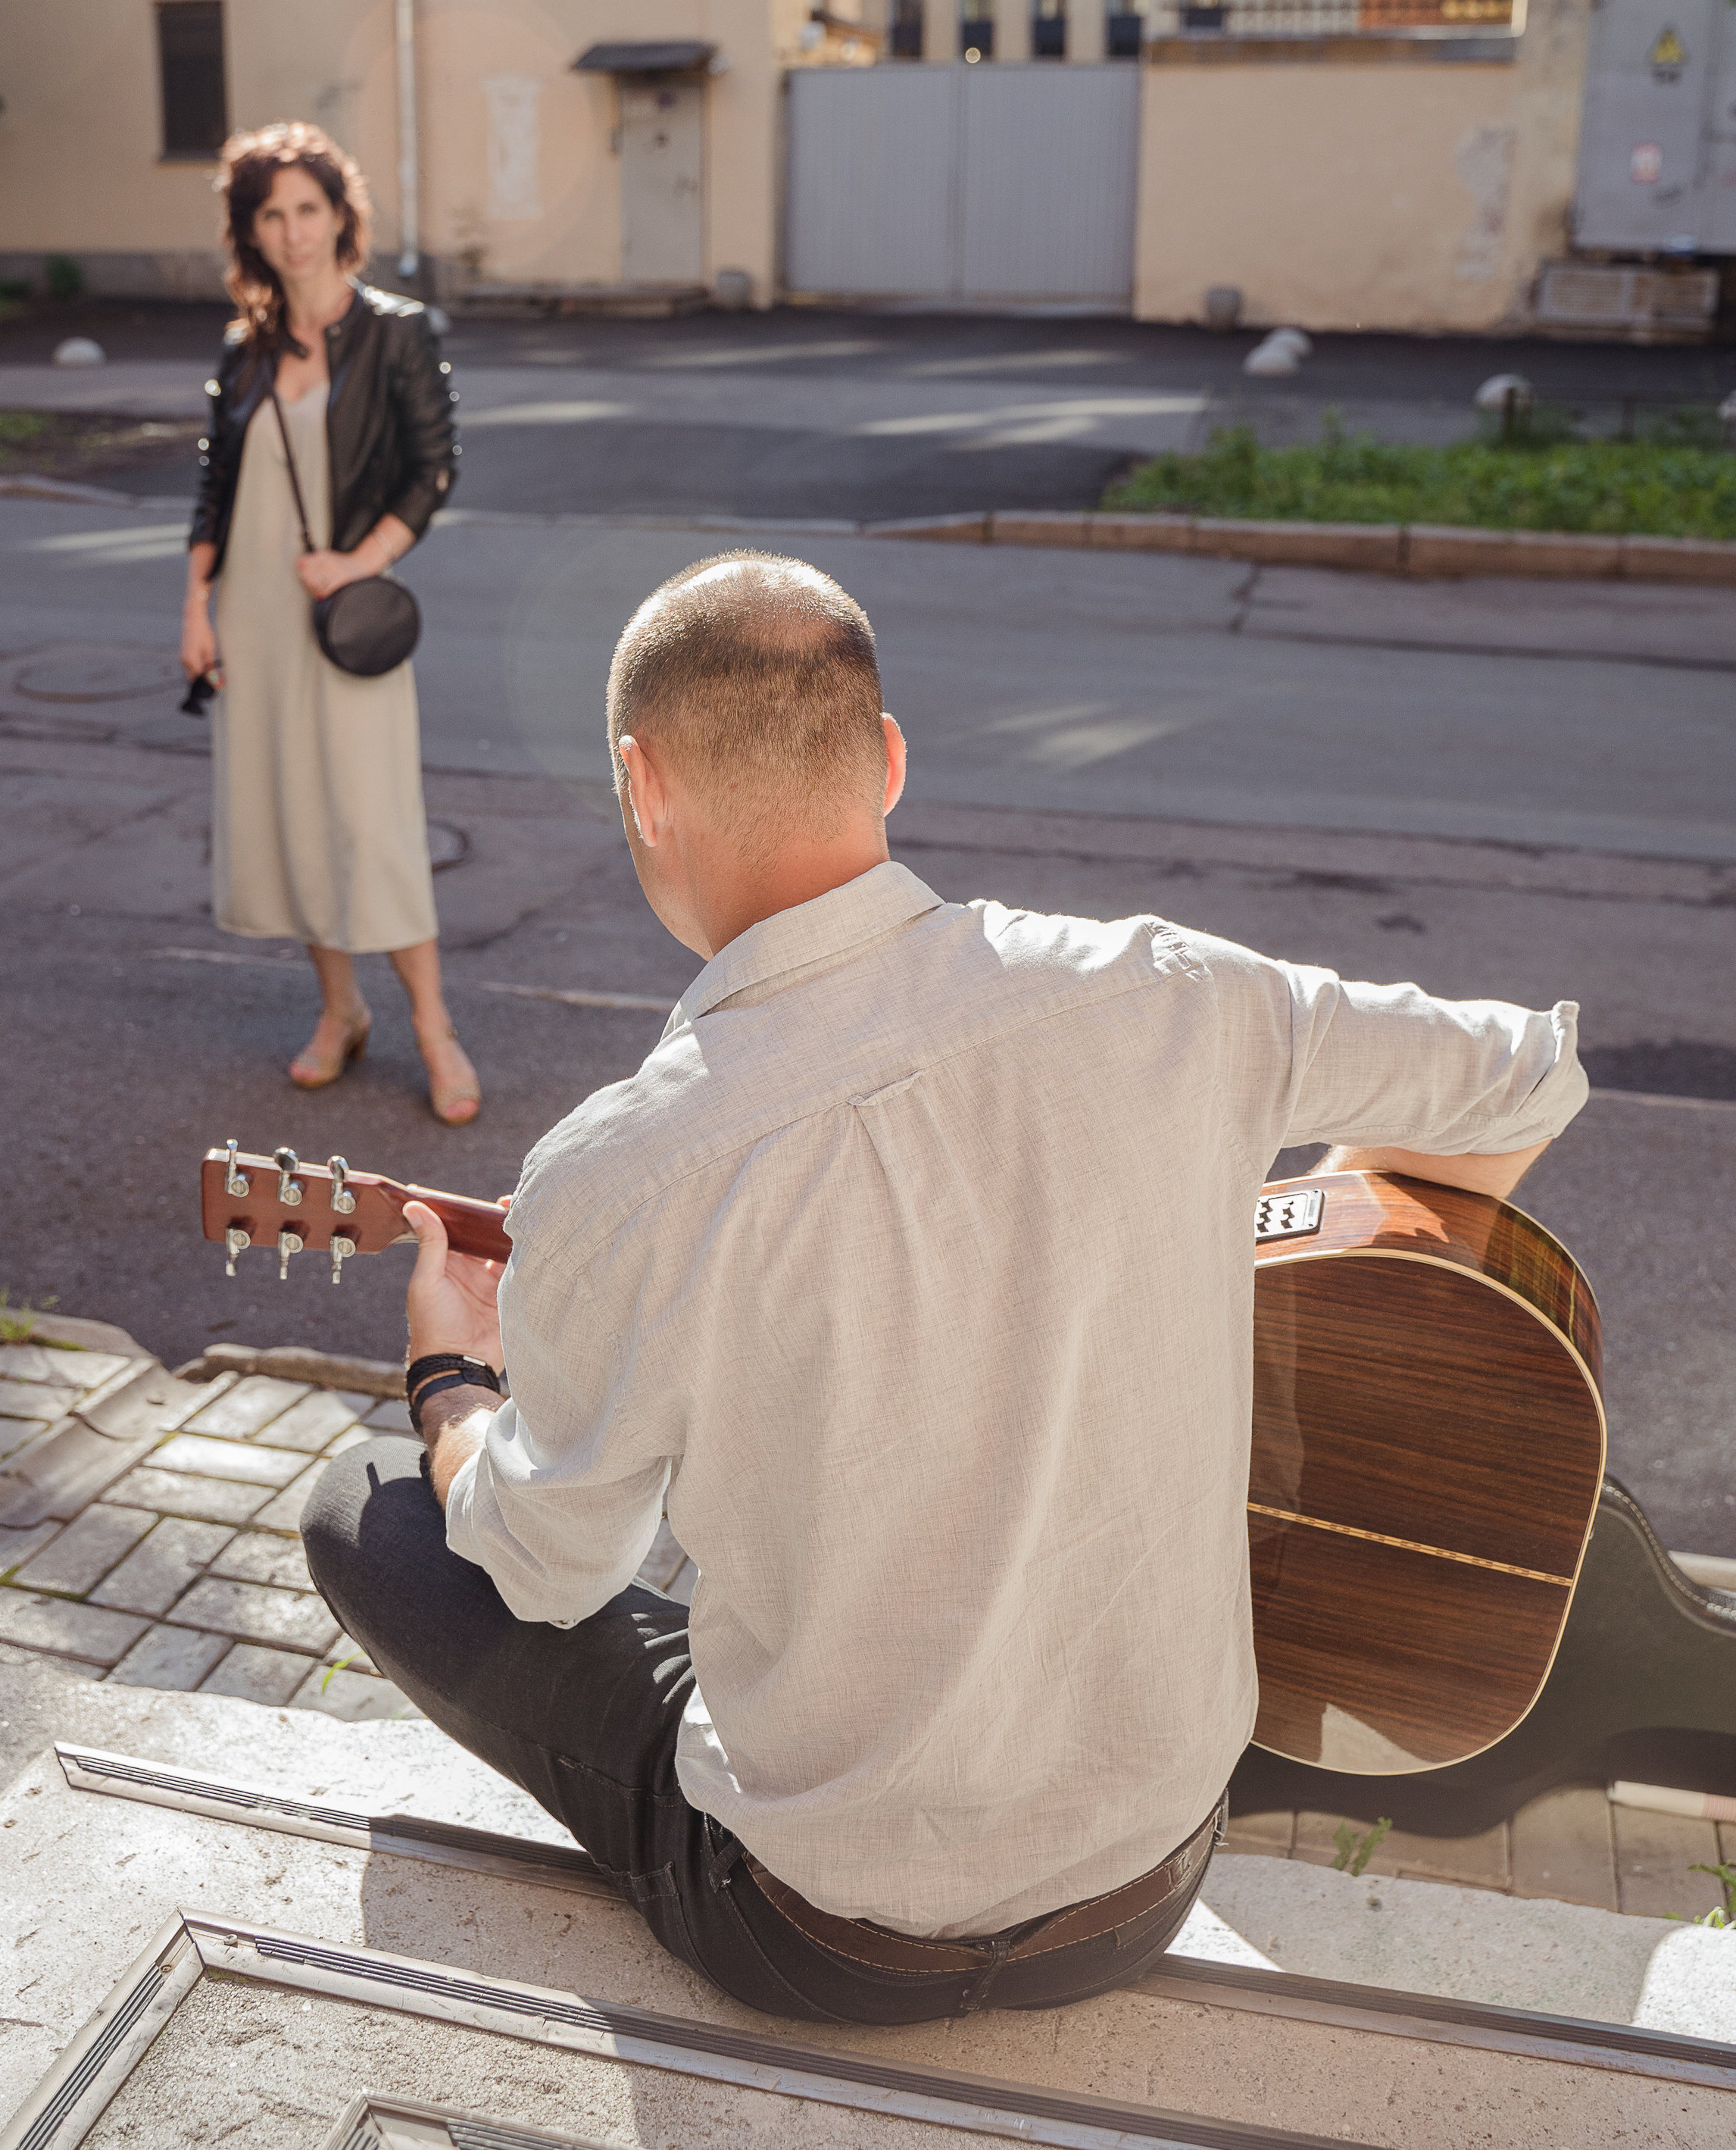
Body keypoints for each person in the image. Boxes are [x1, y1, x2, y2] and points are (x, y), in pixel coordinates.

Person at [302, 552, 1586, 2027]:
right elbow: (1527, 1079)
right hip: (1147, 1880)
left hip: (820, 1938)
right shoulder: (1166, 991)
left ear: (641, 786)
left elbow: (552, 1570)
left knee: (373, 1514)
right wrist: (1287, 1278)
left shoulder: (621, 1171)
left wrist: (451, 1390)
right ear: (890, 760)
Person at [180, 121, 480, 1125]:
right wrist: (195, 605)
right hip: (253, 618)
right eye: (272, 212)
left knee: (372, 818)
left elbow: (433, 466)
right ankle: (339, 1011)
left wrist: (360, 558)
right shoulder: (244, 349)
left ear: (340, 216)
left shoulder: (398, 331)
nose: (293, 230)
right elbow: (215, 486)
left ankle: (434, 1028)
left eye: (309, 208)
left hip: (341, 618)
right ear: (251, 229)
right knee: (292, 813)